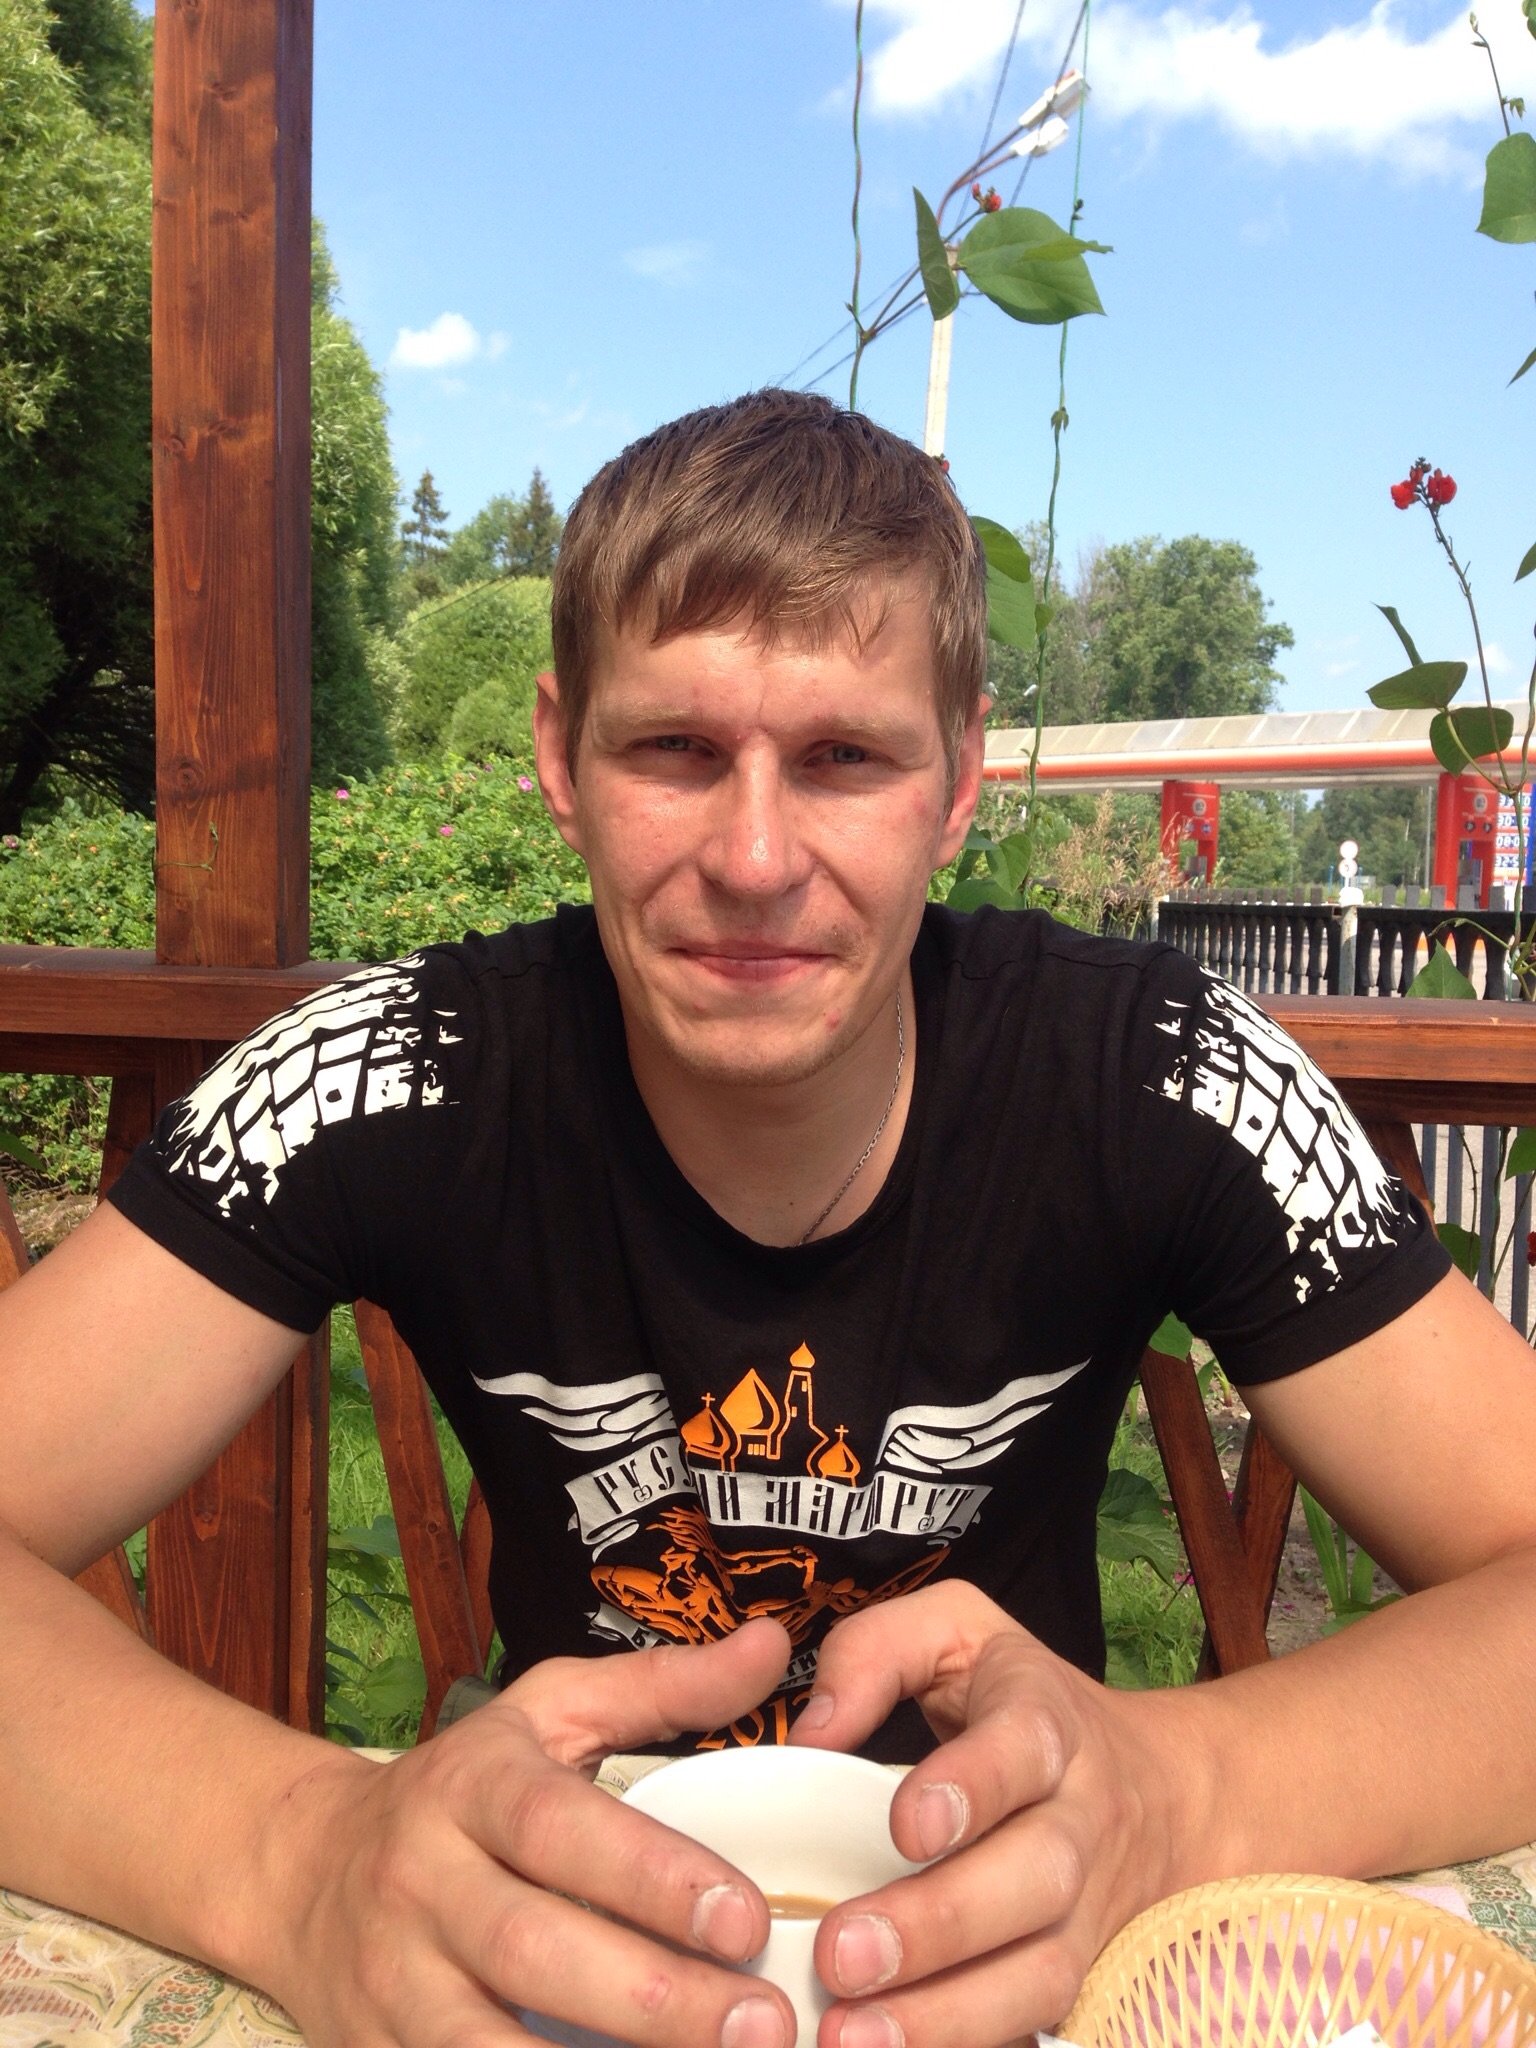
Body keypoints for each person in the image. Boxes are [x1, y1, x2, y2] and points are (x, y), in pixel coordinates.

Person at [2, 387, 1536, 2048]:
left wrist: (1175, 1794)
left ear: (959, 780)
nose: (752, 857)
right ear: (560, 759)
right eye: (674, 749)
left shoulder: (1165, 1072)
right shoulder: (381, 1073)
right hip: (546, 1944)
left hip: (1017, 1945)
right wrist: (298, 1858)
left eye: (843, 759)